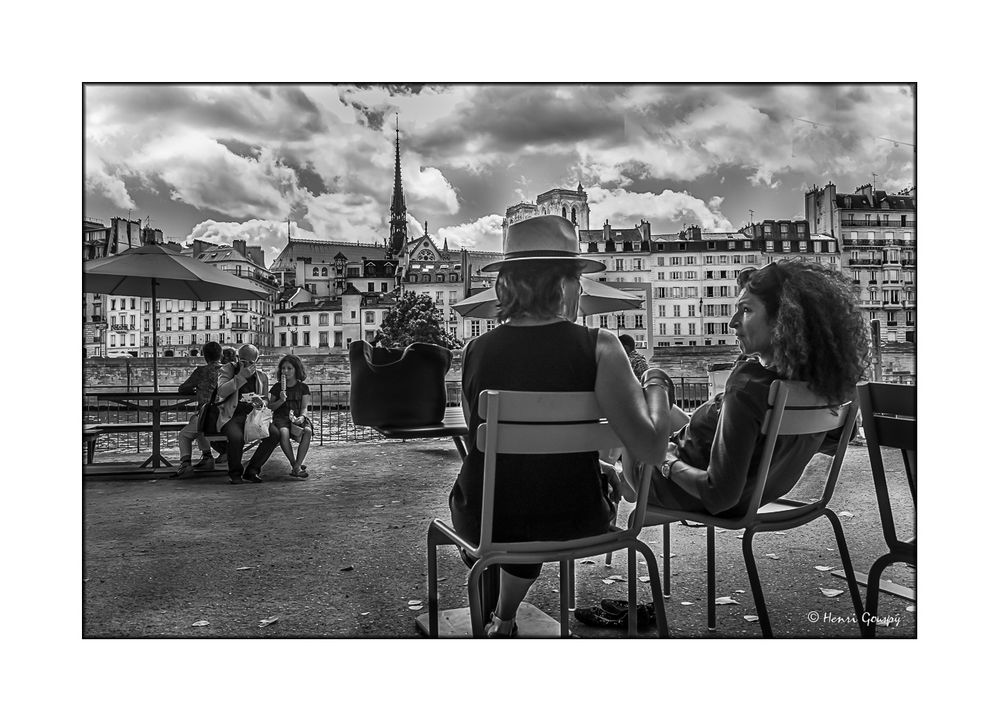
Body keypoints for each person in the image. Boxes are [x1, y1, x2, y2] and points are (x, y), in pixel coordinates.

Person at [449, 215, 674, 638]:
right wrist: (659, 385)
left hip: (484, 517)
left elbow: (478, 432)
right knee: (543, 494)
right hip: (575, 517)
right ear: (567, 286)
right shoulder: (600, 346)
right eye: (578, 282)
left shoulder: (474, 350)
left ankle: (500, 605)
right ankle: (505, 612)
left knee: (510, 496)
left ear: (506, 285)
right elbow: (650, 450)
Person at [619, 259, 870, 518]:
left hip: (670, 485)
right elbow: (836, 441)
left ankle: (623, 476)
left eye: (746, 310)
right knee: (677, 414)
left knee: (651, 381)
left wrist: (664, 460)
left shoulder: (748, 386)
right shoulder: (826, 387)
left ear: (783, 319)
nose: (733, 322)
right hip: (752, 493)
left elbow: (719, 494)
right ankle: (624, 475)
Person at [214, 344, 282, 484]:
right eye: (243, 361)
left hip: (253, 415)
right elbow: (221, 391)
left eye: (251, 362)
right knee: (236, 437)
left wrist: (261, 402)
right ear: (238, 358)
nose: (246, 365)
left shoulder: (261, 376)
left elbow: (265, 400)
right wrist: (240, 377)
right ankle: (235, 473)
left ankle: (252, 470)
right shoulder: (228, 370)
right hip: (232, 415)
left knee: (274, 434)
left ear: (256, 362)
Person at [171, 341, 224, 478]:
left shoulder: (201, 371)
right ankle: (207, 457)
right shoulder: (227, 370)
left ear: (205, 356)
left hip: (208, 416)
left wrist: (196, 389)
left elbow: (182, 388)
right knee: (197, 423)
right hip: (227, 416)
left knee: (184, 435)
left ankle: (185, 465)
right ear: (221, 355)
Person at [267, 354, 313, 478]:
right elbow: (270, 407)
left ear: (296, 370)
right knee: (284, 433)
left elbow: (304, 407)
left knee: (307, 431)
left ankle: (297, 464)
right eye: (283, 368)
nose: (285, 371)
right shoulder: (277, 387)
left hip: (297, 416)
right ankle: (295, 466)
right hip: (281, 417)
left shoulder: (303, 387)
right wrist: (281, 400)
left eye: (289, 368)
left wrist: (302, 417)